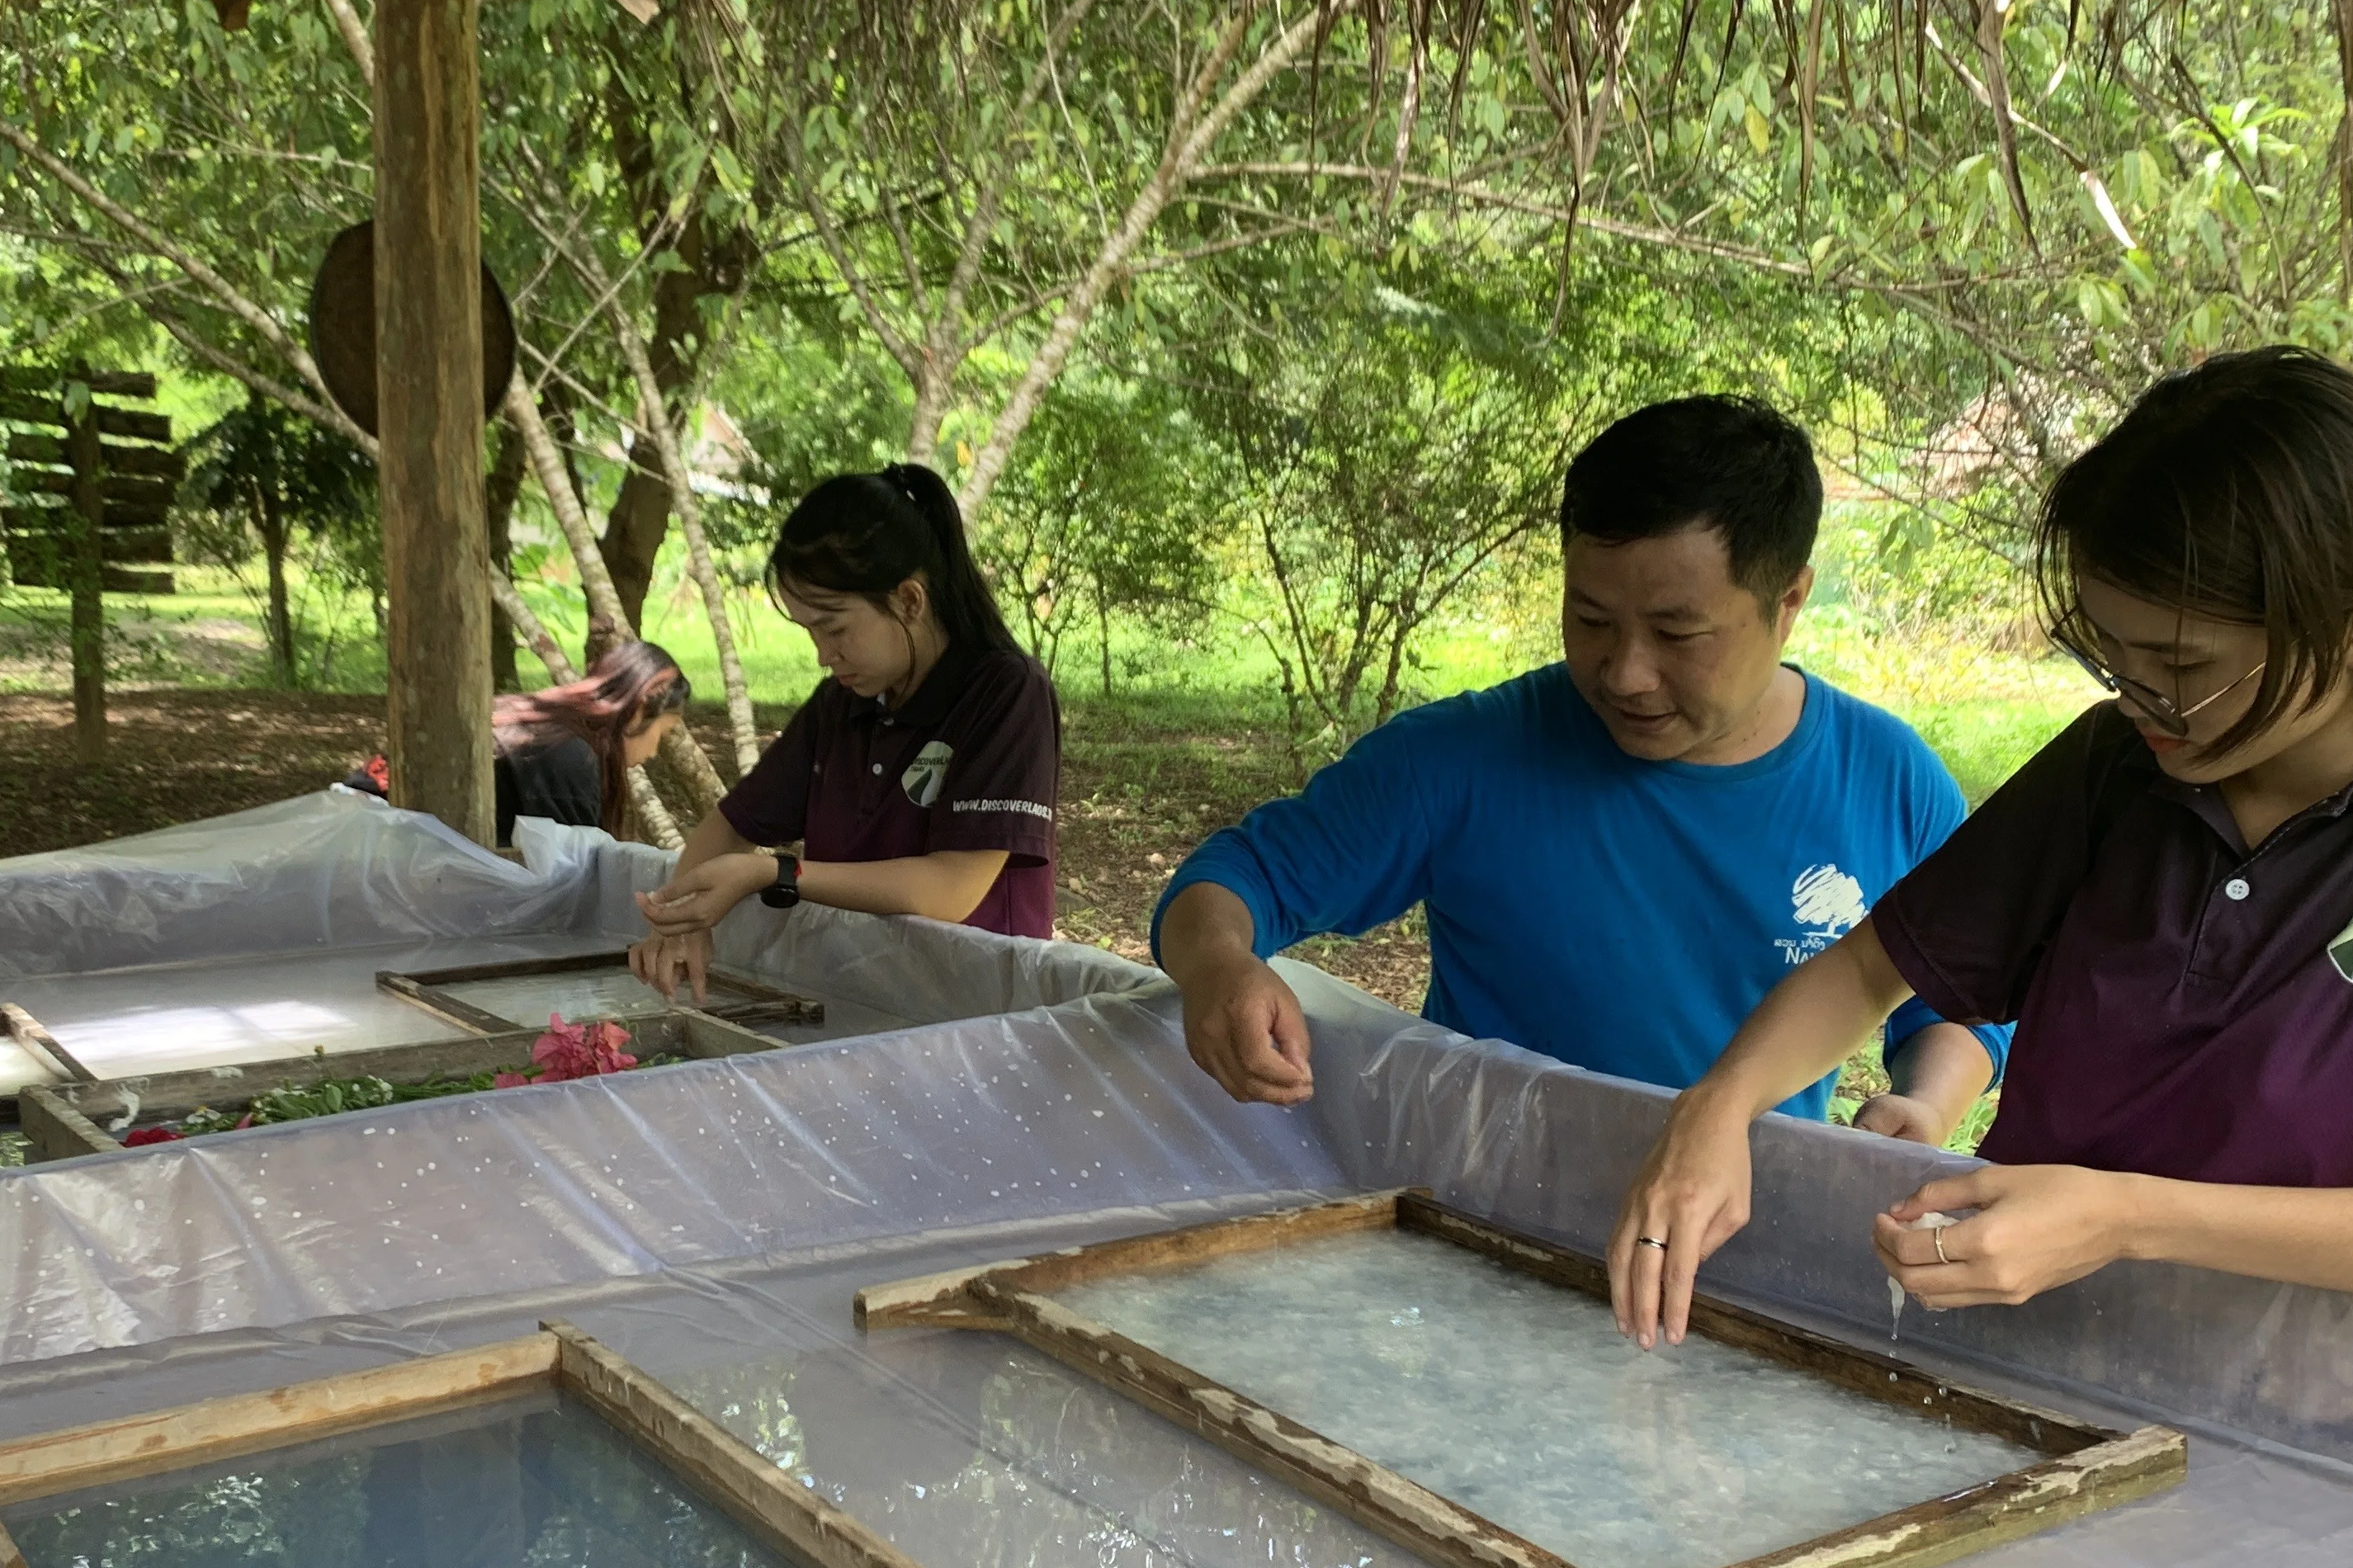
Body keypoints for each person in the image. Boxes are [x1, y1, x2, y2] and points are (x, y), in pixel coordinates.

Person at [1610, 348, 2353, 1348]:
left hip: (2329, 1427)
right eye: (2111, 653)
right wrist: (1718, 1105)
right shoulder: (2119, 767)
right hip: (2032, 1365)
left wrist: (2133, 1221)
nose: (2138, 698)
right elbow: (1873, 965)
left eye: (2182, 664)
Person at [1155, 394, 2004, 1137]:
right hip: (1480, 1220)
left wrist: (1927, 1104)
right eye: (1591, 619)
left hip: (1736, 1238)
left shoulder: (1893, 786)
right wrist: (1219, 966)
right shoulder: (1463, 759)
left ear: (1787, 602)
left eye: (1678, 633)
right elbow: (1234, 881)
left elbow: (1958, 1002)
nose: (1626, 673)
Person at [631, 464, 1058, 1004]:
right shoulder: (843, 702)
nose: (822, 654)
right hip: (858, 1001)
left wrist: (777, 872)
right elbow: (731, 825)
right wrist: (676, 923)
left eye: (834, 628)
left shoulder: (1005, 692)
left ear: (909, 600)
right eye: (808, 629)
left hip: (972, 1013)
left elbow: (950, 888)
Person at [493, 639, 692, 837]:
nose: (654, 752)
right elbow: (567, 866)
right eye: (663, 734)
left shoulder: (553, 730)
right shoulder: (573, 759)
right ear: (638, 713)